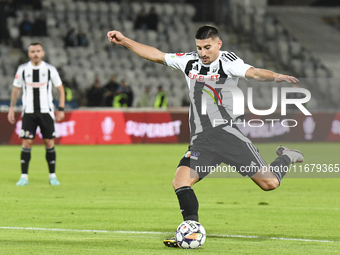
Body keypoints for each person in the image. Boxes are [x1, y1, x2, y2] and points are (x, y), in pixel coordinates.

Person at [107, 25, 304, 247]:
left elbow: (255, 72)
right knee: (180, 181)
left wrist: (276, 76)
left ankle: (287, 156)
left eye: (207, 47)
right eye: (199, 47)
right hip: (202, 140)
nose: (203, 52)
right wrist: (125, 40)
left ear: (218, 44)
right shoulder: (189, 61)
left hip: (227, 136)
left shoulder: (229, 61)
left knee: (270, 183)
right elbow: (156, 55)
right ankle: (191, 230)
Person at [7, 42, 65, 186]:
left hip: (46, 112)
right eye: (33, 51)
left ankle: (52, 176)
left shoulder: (50, 69)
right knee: (27, 143)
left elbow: (61, 90)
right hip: (29, 112)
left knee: (49, 142)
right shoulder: (22, 70)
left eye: (38, 51)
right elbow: (16, 90)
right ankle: (24, 176)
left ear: (43, 53)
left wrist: (61, 109)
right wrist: (11, 109)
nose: (36, 54)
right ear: (29, 54)